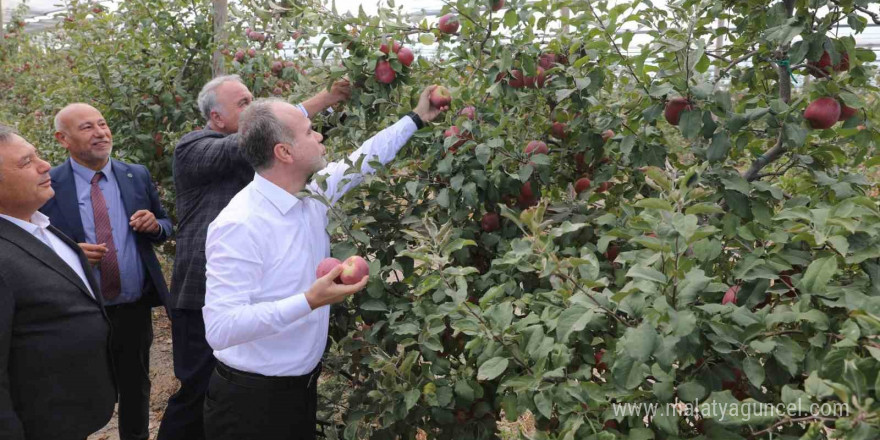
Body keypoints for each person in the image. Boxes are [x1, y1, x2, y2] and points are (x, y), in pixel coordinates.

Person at [201, 85, 446, 440]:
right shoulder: (240, 223)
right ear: (284, 152)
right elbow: (221, 329)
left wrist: (416, 118)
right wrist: (309, 300)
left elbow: (363, 159)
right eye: (308, 131)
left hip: (298, 391)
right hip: (249, 406)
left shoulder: (310, 194)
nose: (319, 135)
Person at [158, 75, 352, 440]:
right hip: (197, 295)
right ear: (216, 118)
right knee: (196, 395)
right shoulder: (194, 148)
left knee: (212, 393)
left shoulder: (283, 184)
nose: (253, 108)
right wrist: (322, 99)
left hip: (250, 290)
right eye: (245, 103)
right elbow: (255, 140)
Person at [38, 103, 173, 440]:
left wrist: (155, 225)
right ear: (62, 139)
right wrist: (68, 254)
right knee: (77, 389)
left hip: (132, 306)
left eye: (102, 124)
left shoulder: (135, 174)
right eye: (87, 128)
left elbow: (167, 223)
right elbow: (29, 239)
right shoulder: (48, 184)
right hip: (78, 309)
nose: (100, 133)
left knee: (135, 388)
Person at [0, 124, 116, 440]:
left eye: (37, 155)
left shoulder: (40, 226)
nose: (44, 165)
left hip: (70, 416)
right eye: (26, 162)